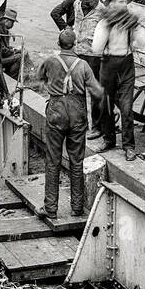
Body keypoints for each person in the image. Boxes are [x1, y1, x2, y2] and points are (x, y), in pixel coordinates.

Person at [37, 29, 105, 220]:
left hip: (56, 112)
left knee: (52, 161)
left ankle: (50, 208)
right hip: (77, 114)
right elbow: (97, 92)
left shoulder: (50, 61)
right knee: (76, 161)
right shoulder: (83, 65)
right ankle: (76, 207)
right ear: (74, 44)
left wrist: (53, 87)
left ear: (59, 44)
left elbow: (39, 78)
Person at [90, 0, 140, 158]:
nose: (124, 5)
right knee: (106, 104)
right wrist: (107, 30)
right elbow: (96, 48)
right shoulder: (104, 23)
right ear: (111, 3)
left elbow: (139, 43)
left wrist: (134, 30)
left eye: (126, 2)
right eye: (121, 1)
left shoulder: (130, 22)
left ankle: (129, 146)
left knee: (127, 108)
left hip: (126, 64)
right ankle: (109, 139)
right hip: (108, 65)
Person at [50, 0, 104, 74]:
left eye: (90, 0)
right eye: (85, 0)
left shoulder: (102, 10)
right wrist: (67, 28)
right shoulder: (76, 4)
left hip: (92, 55)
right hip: (75, 51)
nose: (87, 3)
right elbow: (55, 13)